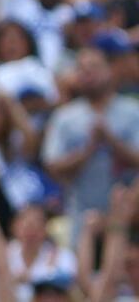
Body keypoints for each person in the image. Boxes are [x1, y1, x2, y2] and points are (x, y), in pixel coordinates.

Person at [41, 46, 139, 239]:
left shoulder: (132, 111)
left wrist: (111, 141)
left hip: (129, 220)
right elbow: (52, 166)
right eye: (82, 70)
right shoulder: (65, 117)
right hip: (81, 217)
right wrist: (88, 150)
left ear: (109, 70)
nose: (88, 75)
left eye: (94, 67)